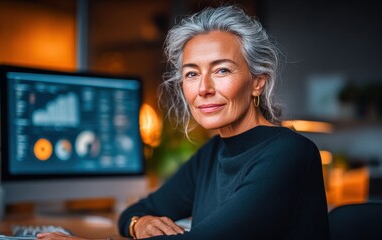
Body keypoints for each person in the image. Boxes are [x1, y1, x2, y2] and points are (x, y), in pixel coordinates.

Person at [37, 4, 329, 240]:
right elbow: (134, 212)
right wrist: (140, 224)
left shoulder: (289, 154)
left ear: (257, 83)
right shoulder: (212, 154)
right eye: (191, 73)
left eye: (222, 70)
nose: (203, 88)